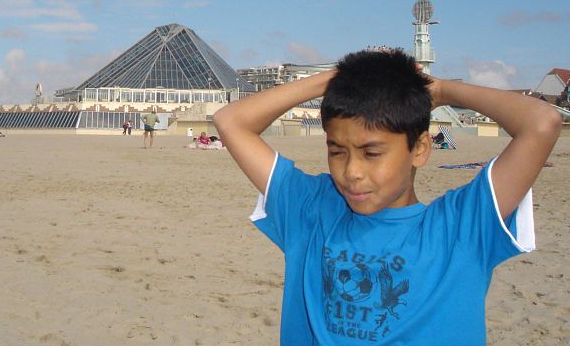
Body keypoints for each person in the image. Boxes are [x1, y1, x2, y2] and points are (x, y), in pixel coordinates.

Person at [212, 49, 561, 345]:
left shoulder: (462, 228)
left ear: (420, 149)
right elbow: (231, 121)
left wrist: (440, 90)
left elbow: (542, 122)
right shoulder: (313, 209)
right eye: (337, 151)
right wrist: (337, 80)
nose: (352, 172)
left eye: (372, 153)